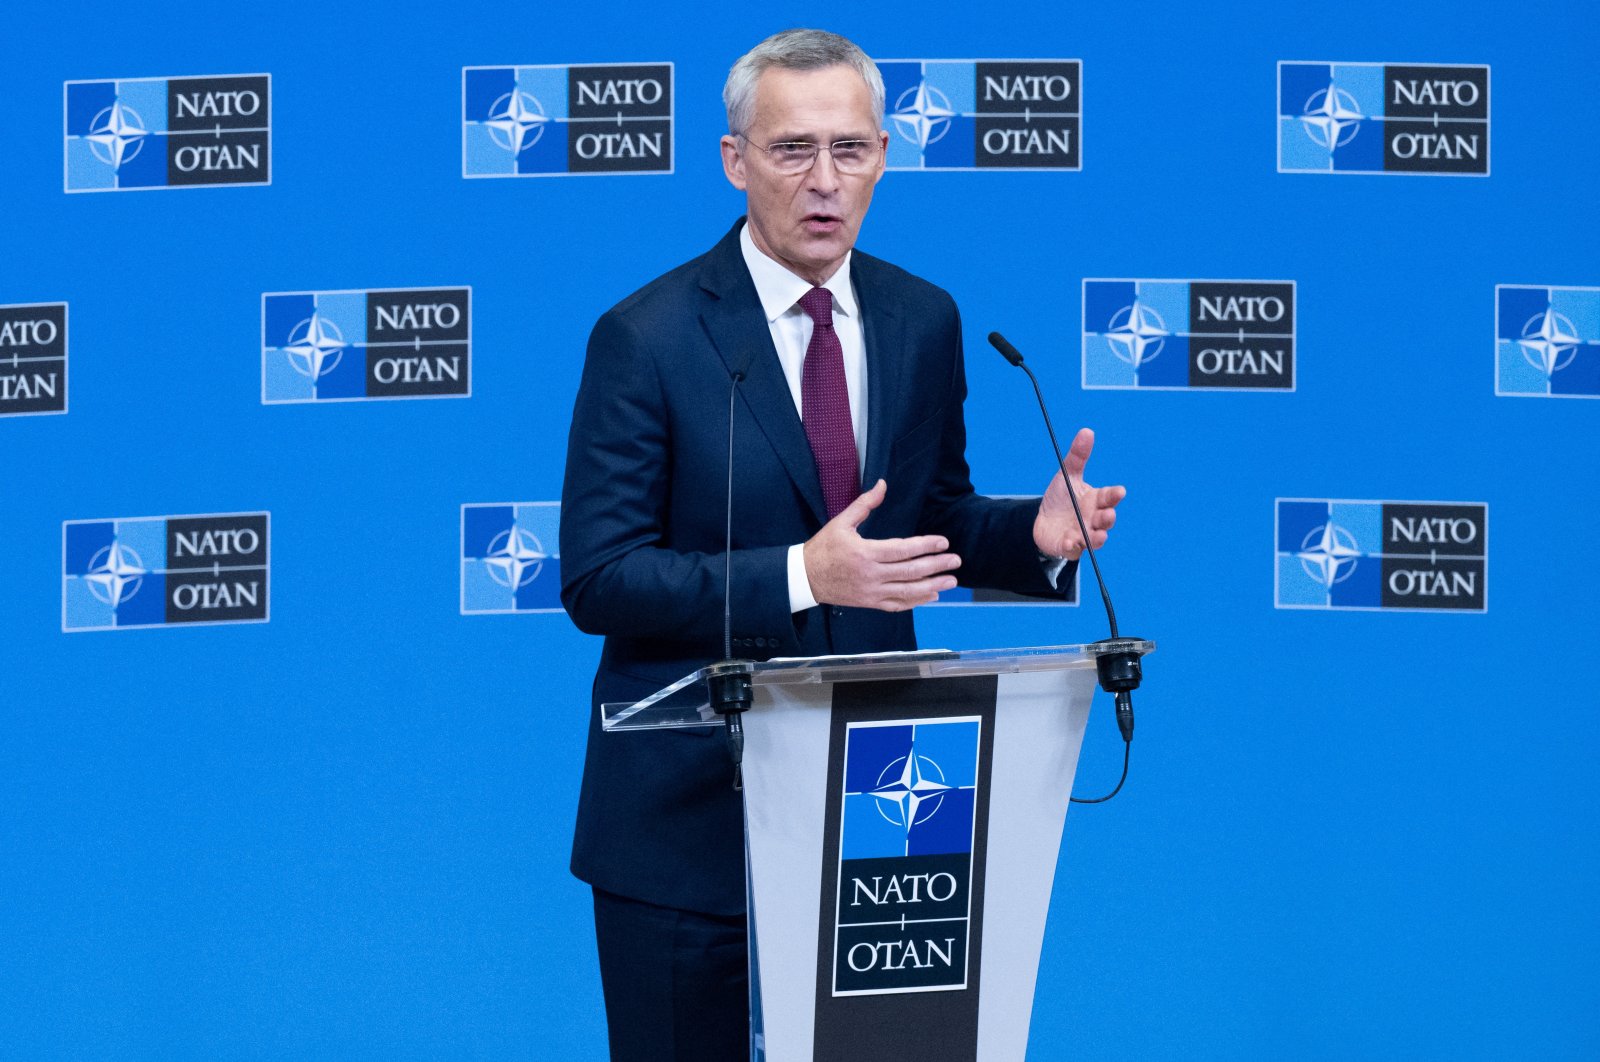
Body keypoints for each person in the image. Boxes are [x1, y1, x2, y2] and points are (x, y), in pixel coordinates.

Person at [558, 28, 1125, 1061]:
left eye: (851, 149)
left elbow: (928, 520)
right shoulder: (646, 337)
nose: (825, 181)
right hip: (689, 821)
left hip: (880, 813)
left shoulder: (921, 318)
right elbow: (599, 576)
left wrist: (1032, 539)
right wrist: (796, 575)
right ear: (735, 161)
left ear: (883, 155)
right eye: (791, 150)